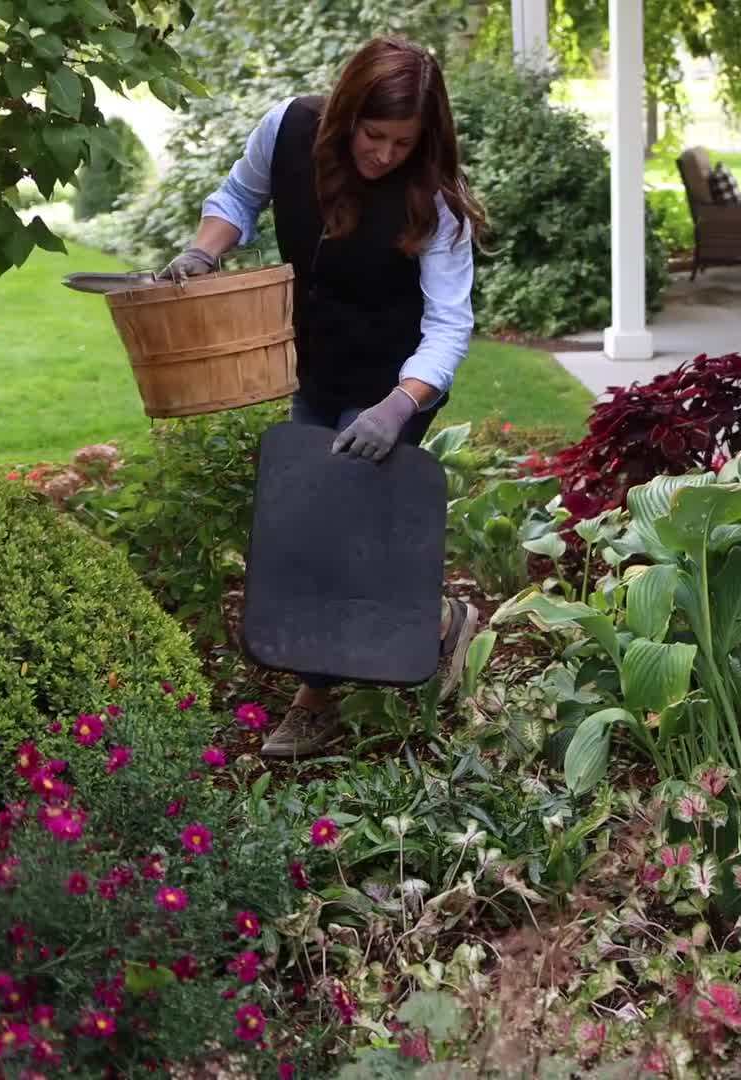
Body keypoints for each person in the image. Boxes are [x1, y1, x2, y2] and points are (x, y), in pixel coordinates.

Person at [163, 36, 486, 759]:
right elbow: (239, 197)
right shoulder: (288, 129)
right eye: (374, 135)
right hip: (314, 360)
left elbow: (448, 326)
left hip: (396, 378)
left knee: (333, 521)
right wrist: (204, 249)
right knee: (312, 518)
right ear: (346, 116)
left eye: (403, 142)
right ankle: (438, 622)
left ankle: (314, 704)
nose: (385, 155)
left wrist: (399, 406)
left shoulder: (435, 201)